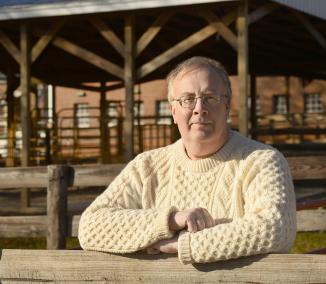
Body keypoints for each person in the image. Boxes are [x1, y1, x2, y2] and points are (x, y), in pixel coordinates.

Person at [78, 56, 296, 264]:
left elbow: (275, 228)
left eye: (210, 98)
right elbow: (90, 227)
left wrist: (182, 245)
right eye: (188, 99)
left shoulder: (262, 161)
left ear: (227, 106)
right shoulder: (146, 166)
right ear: (173, 111)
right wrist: (171, 220)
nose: (199, 109)